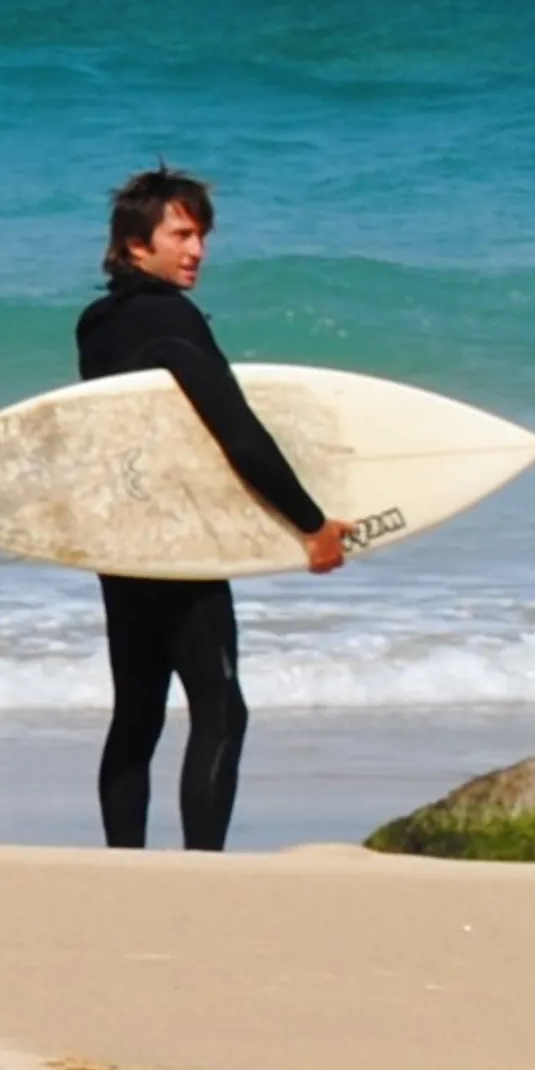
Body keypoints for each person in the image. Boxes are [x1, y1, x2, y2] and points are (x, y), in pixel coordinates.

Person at [74, 167, 349, 851]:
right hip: (179, 537)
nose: (197, 250)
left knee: (137, 711)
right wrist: (310, 523)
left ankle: (123, 866)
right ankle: (203, 867)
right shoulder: (172, 318)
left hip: (120, 536)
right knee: (220, 708)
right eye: (181, 234)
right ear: (138, 246)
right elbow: (236, 429)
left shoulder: (96, 324)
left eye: (201, 236)